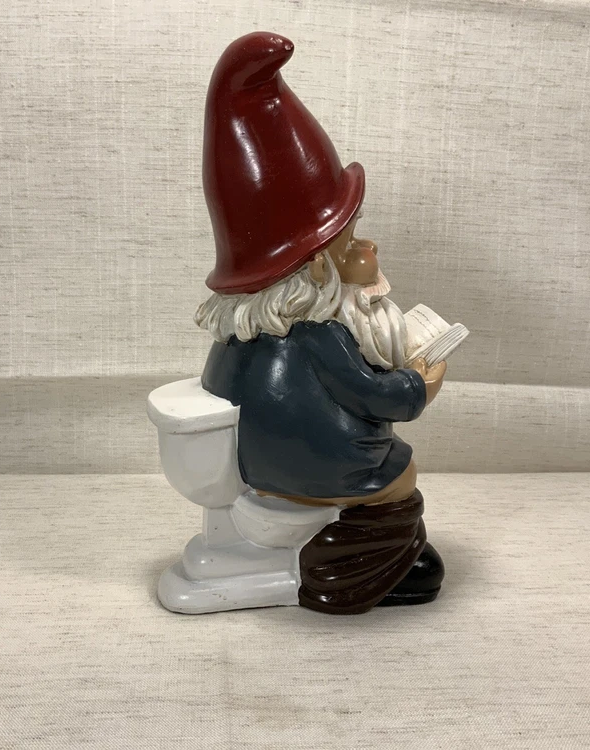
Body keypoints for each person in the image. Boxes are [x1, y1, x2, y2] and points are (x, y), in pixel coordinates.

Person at [193, 32, 446, 615]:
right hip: (321, 465)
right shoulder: (319, 334)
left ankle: (353, 554)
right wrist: (421, 383)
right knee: (403, 476)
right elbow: (374, 397)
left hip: (256, 462)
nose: (366, 249)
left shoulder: (238, 335)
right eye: (349, 244)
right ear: (314, 268)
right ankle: (348, 567)